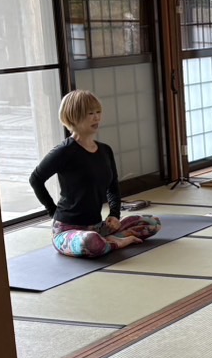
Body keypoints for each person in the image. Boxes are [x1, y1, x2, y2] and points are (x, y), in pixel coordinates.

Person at [29, 90, 160, 258]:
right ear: (73, 117)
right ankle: (116, 242)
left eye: (98, 112)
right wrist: (53, 211)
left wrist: (114, 215)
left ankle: (108, 240)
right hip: (69, 231)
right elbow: (35, 179)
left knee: (152, 223)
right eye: (90, 113)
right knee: (89, 242)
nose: (96, 118)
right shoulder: (63, 151)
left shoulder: (105, 150)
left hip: (98, 227)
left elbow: (113, 187)